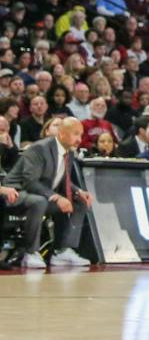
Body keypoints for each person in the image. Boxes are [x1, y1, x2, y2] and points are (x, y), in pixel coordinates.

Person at [1, 115, 92, 269]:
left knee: (79, 202)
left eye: (81, 134)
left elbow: (63, 180)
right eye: (75, 134)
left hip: (41, 195)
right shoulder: (39, 148)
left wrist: (78, 192)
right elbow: (30, 182)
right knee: (39, 201)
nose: (79, 138)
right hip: (15, 193)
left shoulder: (68, 153)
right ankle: (31, 253)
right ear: (62, 134)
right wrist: (56, 197)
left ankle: (62, 251)